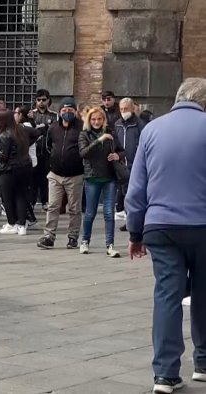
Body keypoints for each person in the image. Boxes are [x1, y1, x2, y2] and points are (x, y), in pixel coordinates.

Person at [126, 78, 206, 394]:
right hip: (202, 225)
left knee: (167, 296)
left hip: (160, 225)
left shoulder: (151, 130)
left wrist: (135, 231)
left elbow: (136, 190)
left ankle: (165, 374)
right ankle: (203, 363)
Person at [36, 97, 84, 249]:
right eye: (64, 110)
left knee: (74, 209)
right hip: (55, 174)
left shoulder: (82, 128)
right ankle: (49, 236)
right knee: (53, 206)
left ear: (75, 112)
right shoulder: (54, 127)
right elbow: (49, 145)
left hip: (75, 175)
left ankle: (73, 236)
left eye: (70, 110)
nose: (67, 112)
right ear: (59, 112)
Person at [77, 107, 122, 257]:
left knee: (109, 213)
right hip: (92, 177)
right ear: (89, 120)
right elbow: (83, 153)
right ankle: (85, 241)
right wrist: (98, 140)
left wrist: (118, 155)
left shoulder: (112, 133)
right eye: (93, 119)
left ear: (104, 120)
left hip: (109, 177)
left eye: (99, 119)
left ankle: (110, 245)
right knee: (90, 213)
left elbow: (122, 150)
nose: (96, 122)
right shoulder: (85, 134)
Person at [0, 110, 38, 236]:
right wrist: (26, 144)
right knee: (21, 195)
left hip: (9, 169)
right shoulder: (22, 129)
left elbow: (3, 156)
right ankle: (22, 225)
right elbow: (37, 133)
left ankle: (12, 223)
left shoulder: (4, 135)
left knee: (7, 197)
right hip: (25, 166)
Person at [114, 97, 146, 227]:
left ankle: (133, 221)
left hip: (135, 163)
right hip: (121, 164)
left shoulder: (140, 124)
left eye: (125, 109)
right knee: (123, 192)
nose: (123, 111)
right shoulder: (117, 124)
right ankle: (129, 220)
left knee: (132, 194)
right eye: (121, 109)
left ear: (132, 109)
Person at [32, 89, 58, 211]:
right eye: (38, 100)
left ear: (48, 100)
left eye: (43, 100)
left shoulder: (54, 115)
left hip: (47, 151)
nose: (41, 102)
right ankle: (31, 202)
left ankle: (45, 201)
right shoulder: (31, 114)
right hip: (33, 151)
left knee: (47, 178)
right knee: (33, 178)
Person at [15, 106, 39, 225]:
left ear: (21, 115)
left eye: (16, 113)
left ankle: (29, 217)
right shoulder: (25, 126)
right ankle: (30, 217)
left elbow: (36, 134)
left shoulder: (26, 127)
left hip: (28, 163)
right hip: (28, 162)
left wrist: (25, 144)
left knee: (24, 192)